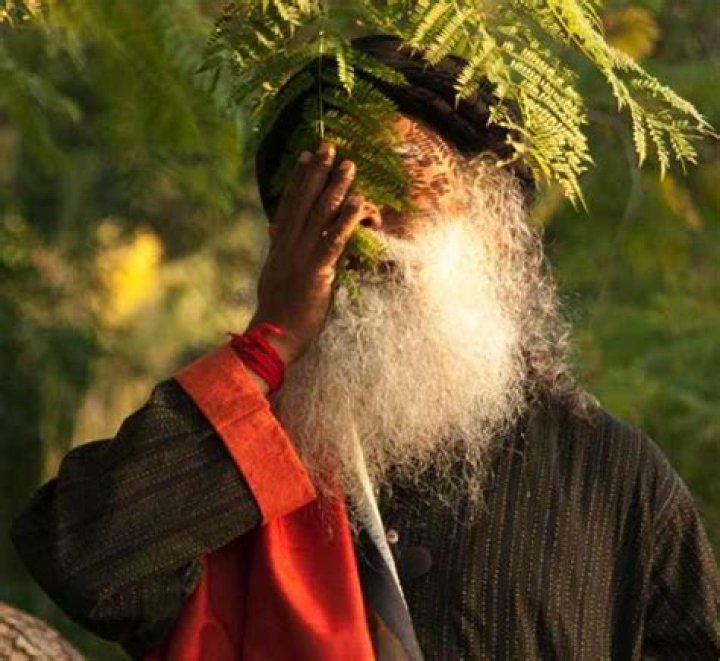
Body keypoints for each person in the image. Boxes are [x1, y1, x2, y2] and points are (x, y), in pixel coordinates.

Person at [12, 36, 720, 660]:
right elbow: (83, 558)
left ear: (493, 220)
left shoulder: (618, 479)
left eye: (396, 169)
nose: (363, 217)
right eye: (323, 192)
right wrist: (270, 342)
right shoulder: (231, 457)